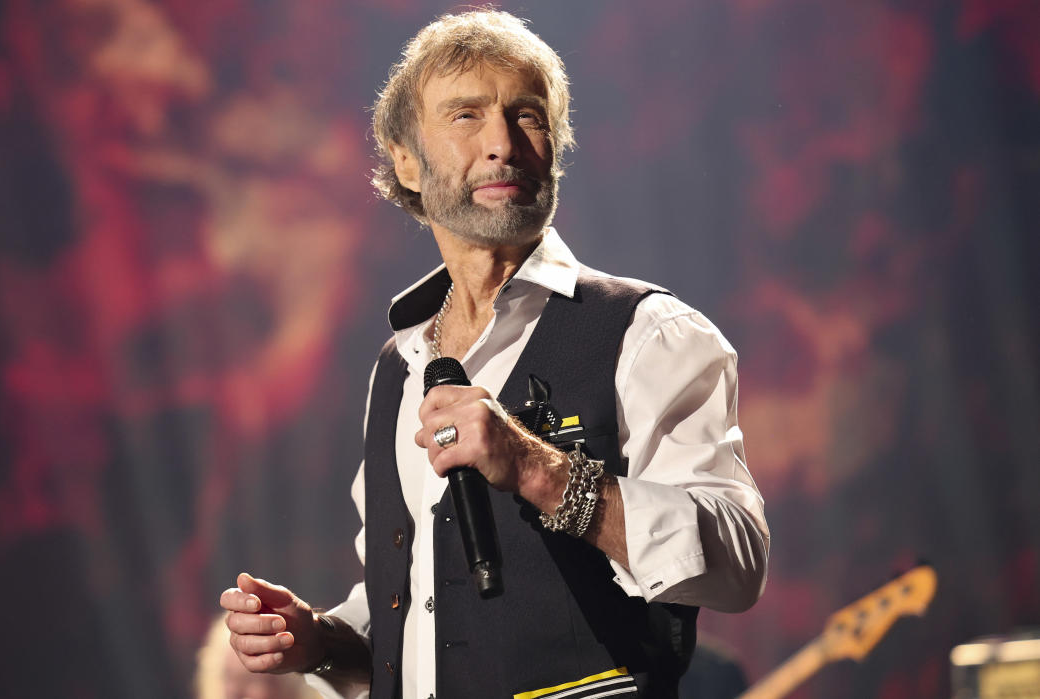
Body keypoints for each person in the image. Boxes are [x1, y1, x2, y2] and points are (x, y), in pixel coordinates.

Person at [219, 9, 769, 698]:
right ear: (406, 161)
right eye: (466, 116)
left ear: (555, 148)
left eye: (527, 116)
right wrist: (321, 641)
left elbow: (738, 561)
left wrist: (539, 470)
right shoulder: (397, 367)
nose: (501, 143)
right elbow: (421, 609)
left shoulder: (647, 331)